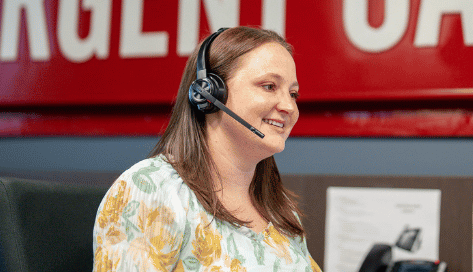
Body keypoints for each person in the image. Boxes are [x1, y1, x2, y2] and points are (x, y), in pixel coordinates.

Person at [93, 26, 321, 272]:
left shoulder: (280, 210)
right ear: (209, 93)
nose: (289, 106)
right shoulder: (150, 190)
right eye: (269, 86)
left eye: (293, 94)